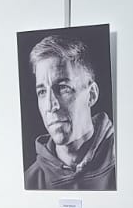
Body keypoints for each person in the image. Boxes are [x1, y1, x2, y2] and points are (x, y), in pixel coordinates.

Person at [23, 33, 116, 190]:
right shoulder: (29, 181)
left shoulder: (127, 162)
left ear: (92, 95)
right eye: (42, 92)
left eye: (63, 88)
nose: (50, 106)